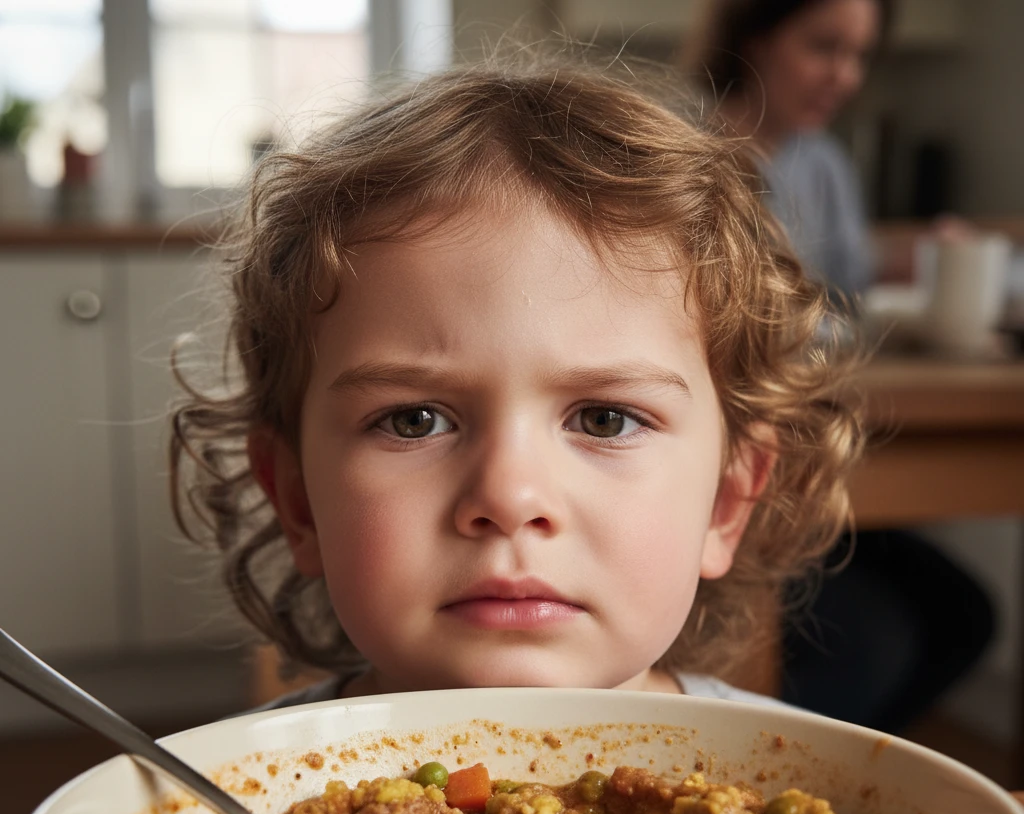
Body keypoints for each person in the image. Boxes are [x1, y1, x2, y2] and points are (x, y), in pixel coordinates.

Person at [169, 52, 862, 712]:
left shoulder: (786, 795)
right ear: (298, 503)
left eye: (604, 420)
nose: (509, 497)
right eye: (414, 420)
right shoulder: (232, 803)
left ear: (727, 500)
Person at [685, 0, 995, 733]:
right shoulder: (686, 155)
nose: (845, 76)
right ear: (755, 35)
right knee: (877, 644)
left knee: (966, 616)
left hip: (828, 460)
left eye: (859, 55)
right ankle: (765, 772)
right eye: (824, 47)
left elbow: (845, 290)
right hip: (743, 476)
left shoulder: (820, 159)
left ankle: (847, 775)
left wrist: (928, 259)